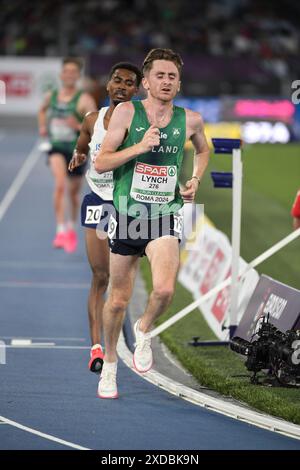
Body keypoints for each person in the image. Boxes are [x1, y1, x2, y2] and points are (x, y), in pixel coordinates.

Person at [94, 48, 210, 399]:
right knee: (117, 300)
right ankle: (111, 365)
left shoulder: (191, 120)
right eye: (160, 75)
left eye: (172, 76)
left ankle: (144, 330)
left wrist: (195, 179)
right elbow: (101, 163)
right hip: (128, 215)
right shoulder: (127, 112)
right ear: (146, 82)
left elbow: (203, 150)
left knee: (163, 290)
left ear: (179, 83)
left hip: (162, 214)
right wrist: (139, 147)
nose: (166, 81)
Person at [68, 63, 142, 373]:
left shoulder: (141, 121)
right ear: (108, 85)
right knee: (100, 277)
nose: (122, 85)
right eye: (117, 80)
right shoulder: (91, 120)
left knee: (122, 280)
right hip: (99, 201)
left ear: (136, 90)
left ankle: (134, 339)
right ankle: (97, 347)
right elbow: (82, 145)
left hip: (129, 204)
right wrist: (78, 155)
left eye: (129, 82)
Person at [38, 57, 97, 252]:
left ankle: (71, 227)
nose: (69, 75)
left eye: (73, 72)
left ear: (78, 76)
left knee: (72, 194)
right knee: (60, 184)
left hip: (77, 151)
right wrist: (42, 127)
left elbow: (96, 127)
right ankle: (60, 230)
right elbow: (42, 110)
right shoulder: (52, 95)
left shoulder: (84, 99)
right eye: (66, 71)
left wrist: (77, 126)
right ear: (61, 75)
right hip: (56, 147)